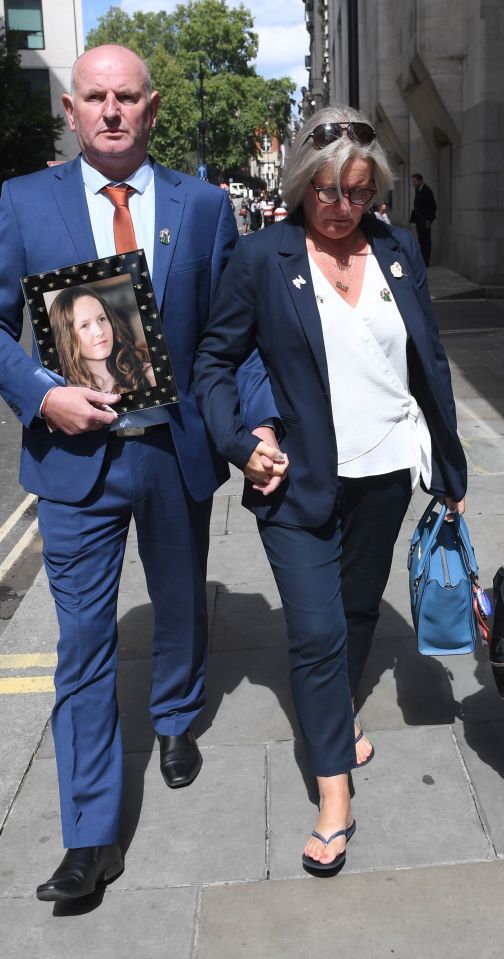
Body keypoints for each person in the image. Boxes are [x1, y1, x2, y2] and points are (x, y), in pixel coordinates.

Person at [0, 44, 278, 902]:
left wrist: (258, 427)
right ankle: (90, 836)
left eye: (126, 97)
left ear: (152, 107)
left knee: (179, 602)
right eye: (94, 97)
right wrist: (40, 392)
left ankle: (175, 715)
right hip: (74, 462)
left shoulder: (205, 206)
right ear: (71, 111)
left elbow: (227, 335)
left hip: (173, 451)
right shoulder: (27, 203)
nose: (110, 110)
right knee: (84, 645)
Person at [194, 104, 466, 874]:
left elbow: (430, 362)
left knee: (354, 611)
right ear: (300, 184)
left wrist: (450, 468)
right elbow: (214, 363)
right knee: (315, 632)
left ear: (375, 187)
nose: (341, 207)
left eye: (357, 190)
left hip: (383, 475)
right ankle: (334, 792)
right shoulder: (261, 258)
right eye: (325, 190)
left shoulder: (399, 249)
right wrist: (242, 442)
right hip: (295, 480)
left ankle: (336, 717)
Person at [48, 286, 156, 393]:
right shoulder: (63, 394)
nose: (99, 331)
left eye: (101, 319)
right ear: (65, 338)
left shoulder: (149, 375)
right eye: (85, 325)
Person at [410, 173, 436, 266]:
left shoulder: (427, 190)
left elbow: (432, 206)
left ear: (420, 180)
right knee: (421, 240)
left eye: (414, 181)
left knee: (426, 240)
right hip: (419, 219)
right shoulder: (418, 190)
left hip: (425, 220)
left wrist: (429, 220)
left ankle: (426, 261)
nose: (413, 184)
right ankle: (423, 260)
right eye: (412, 182)